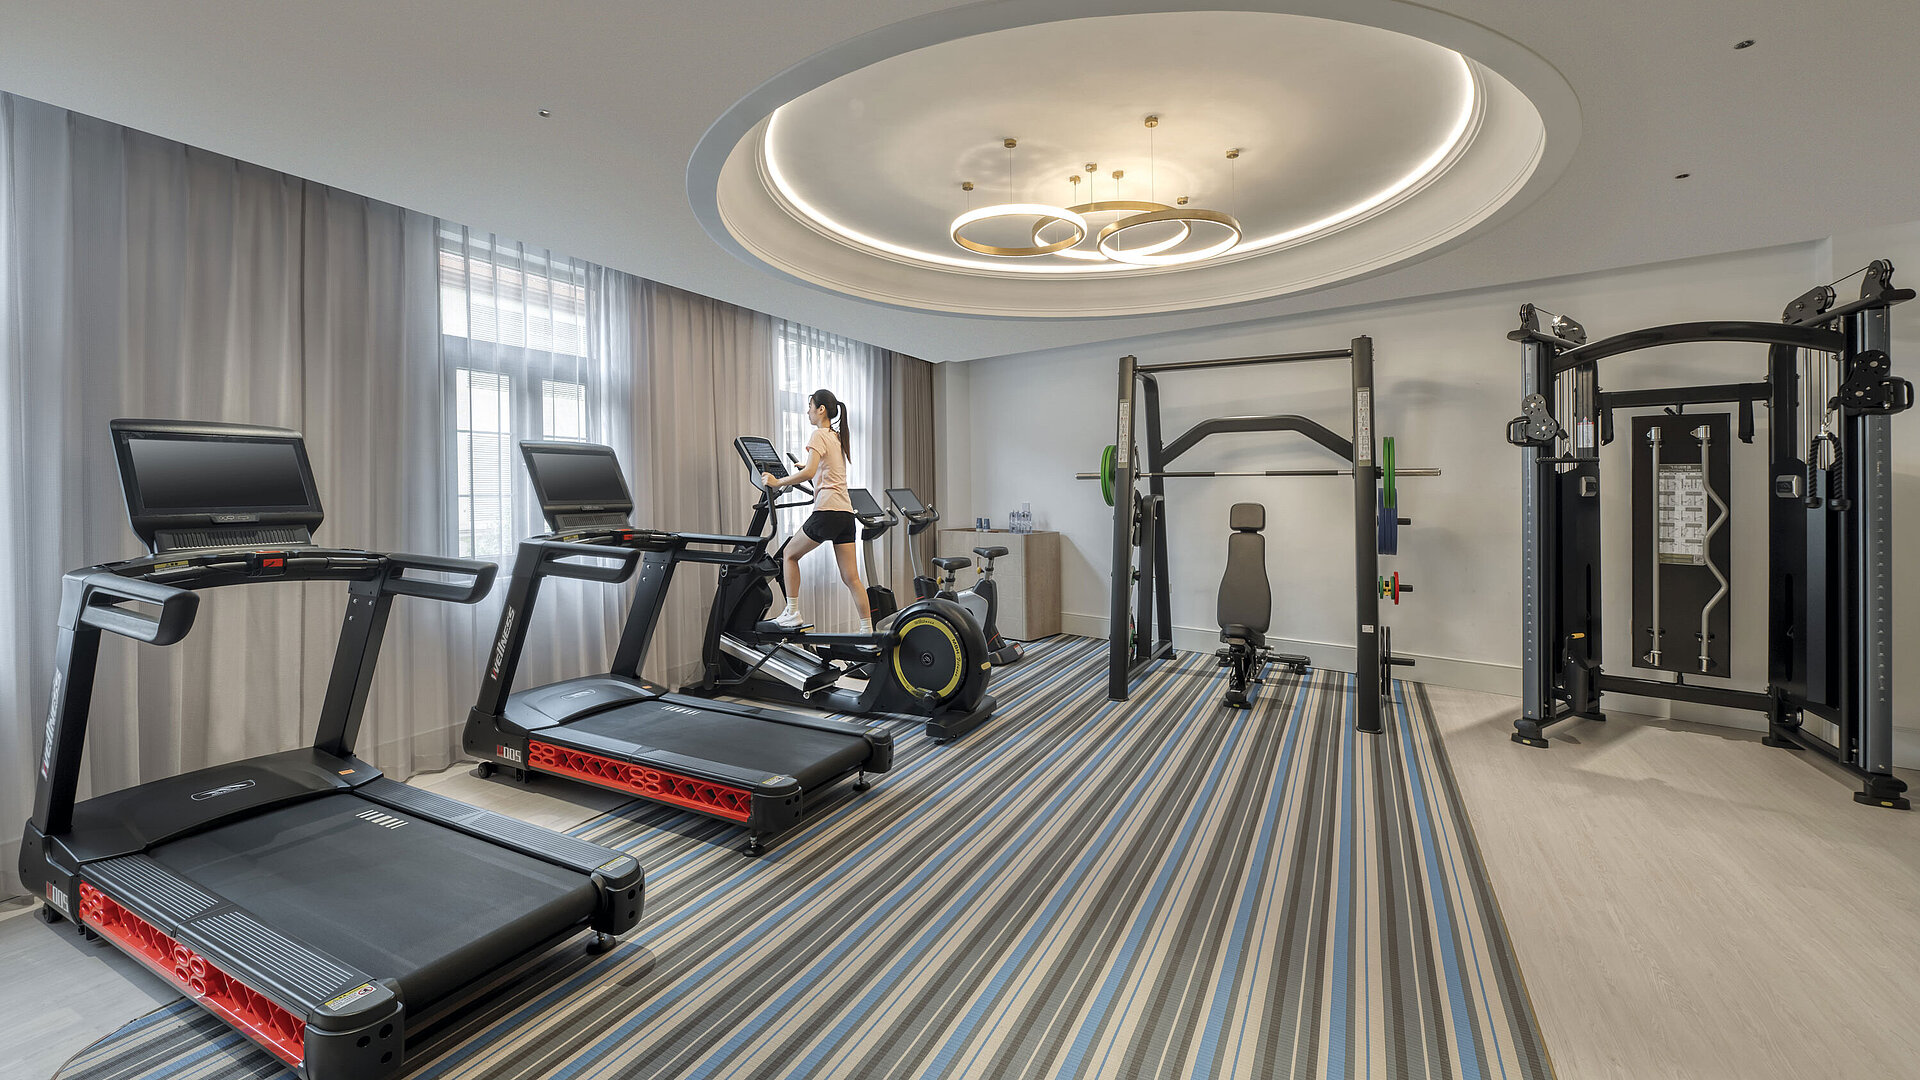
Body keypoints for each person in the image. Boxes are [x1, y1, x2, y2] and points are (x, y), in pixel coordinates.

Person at [761, 388, 873, 633]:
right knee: (851, 578)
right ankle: (868, 630)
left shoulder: (818, 435)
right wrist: (808, 466)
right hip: (846, 515)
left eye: (810, 406)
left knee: (789, 554)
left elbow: (810, 473)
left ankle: (792, 612)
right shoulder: (836, 437)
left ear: (821, 409)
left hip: (827, 511)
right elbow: (824, 470)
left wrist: (777, 482)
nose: (808, 411)